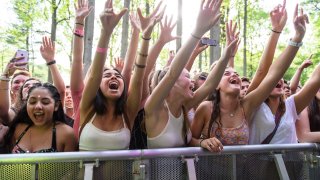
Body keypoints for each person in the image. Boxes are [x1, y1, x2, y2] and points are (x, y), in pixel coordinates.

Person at [190, 1, 294, 152]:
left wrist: (287, 35)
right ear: (215, 84)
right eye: (227, 74)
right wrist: (202, 142)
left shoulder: (247, 106)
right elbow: (189, 140)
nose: (235, 76)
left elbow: (269, 74)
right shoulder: (205, 108)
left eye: (236, 74)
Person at [144, 0, 240, 149]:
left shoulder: (183, 108)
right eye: (187, 77)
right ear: (173, 84)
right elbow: (172, 73)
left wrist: (226, 56)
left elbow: (210, 85)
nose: (193, 82)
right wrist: (198, 31)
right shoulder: (154, 108)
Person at [78, 0, 161, 151]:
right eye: (107, 75)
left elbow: (138, 78)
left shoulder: (128, 113)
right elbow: (93, 76)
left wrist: (146, 36)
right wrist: (106, 32)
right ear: (98, 85)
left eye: (117, 75)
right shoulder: (87, 107)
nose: (113, 77)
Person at [249, 4, 313, 145]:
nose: (279, 79)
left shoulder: (291, 106)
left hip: (290, 167)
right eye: (274, 78)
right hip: (258, 166)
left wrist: (299, 35)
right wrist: (277, 31)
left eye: (281, 78)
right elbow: (262, 71)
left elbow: (315, 82)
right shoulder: (253, 104)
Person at [5, 83, 77, 153]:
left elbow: (71, 164)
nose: (38, 106)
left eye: (45, 102)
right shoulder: (18, 129)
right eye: (32, 102)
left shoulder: (66, 134)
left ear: (56, 106)